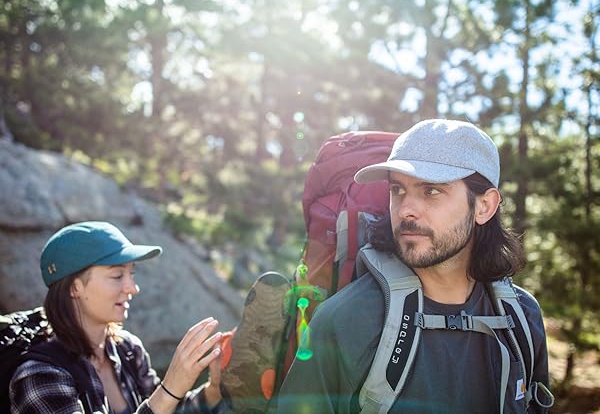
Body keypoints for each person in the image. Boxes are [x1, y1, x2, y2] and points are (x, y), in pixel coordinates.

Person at [276, 119, 552, 413]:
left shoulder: (521, 317)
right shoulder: (346, 321)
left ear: (484, 206)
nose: (405, 209)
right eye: (398, 190)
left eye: (431, 191)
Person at [9, 221, 225, 414]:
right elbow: (161, 404)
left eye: (132, 273)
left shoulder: (129, 349)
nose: (133, 288)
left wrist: (213, 390)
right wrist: (169, 390)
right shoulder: (40, 376)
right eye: (117, 275)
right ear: (75, 287)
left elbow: (166, 409)